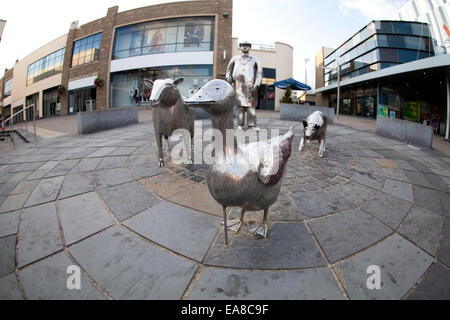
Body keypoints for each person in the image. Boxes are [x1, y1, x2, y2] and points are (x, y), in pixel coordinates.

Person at [226, 41, 262, 130]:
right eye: (243, 46)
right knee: (240, 106)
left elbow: (259, 73)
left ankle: (251, 125)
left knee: (251, 106)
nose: (245, 47)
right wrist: (229, 78)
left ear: (250, 48)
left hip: (251, 86)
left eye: (247, 46)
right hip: (238, 86)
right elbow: (228, 71)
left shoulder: (255, 60)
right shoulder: (235, 58)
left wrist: (257, 84)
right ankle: (240, 124)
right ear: (240, 47)